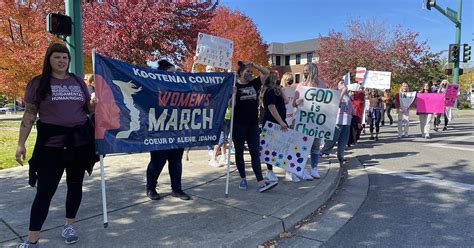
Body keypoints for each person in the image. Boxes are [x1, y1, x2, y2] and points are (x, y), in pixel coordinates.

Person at [15, 43, 98, 247]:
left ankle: (69, 225)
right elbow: (29, 114)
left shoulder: (78, 82)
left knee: (75, 186)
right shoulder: (39, 83)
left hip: (79, 145)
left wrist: (93, 105)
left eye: (65, 57)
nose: (62, 61)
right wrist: (20, 144)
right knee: (45, 191)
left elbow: (88, 109)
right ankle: (32, 239)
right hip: (51, 146)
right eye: (57, 57)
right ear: (49, 60)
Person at [146, 59, 191, 201]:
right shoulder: (154, 88)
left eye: (175, 73)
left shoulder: (180, 88)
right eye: (171, 73)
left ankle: (177, 189)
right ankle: (151, 188)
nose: (175, 76)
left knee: (176, 161)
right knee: (158, 161)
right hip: (160, 130)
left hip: (177, 129)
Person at [233, 61, 278, 192]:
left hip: (252, 125)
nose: (250, 74)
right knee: (239, 152)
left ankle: (260, 181)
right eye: (247, 72)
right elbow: (231, 105)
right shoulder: (234, 86)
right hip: (238, 125)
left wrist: (254, 65)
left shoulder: (255, 83)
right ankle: (243, 178)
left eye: (251, 72)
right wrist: (234, 94)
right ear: (240, 73)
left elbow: (267, 73)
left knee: (255, 152)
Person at [294, 62, 327, 179]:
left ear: (313, 71)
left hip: (317, 119)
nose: (305, 72)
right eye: (304, 70)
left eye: (307, 70)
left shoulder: (322, 84)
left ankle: (314, 168)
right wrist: (302, 98)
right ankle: (301, 169)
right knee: (303, 144)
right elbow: (294, 103)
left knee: (316, 144)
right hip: (304, 120)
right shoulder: (301, 85)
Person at [260, 71, 289, 182]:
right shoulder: (269, 91)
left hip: (280, 122)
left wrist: (281, 89)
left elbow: (286, 100)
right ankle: (269, 171)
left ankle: (286, 170)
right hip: (272, 123)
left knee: (282, 147)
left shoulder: (277, 90)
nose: (278, 78)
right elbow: (271, 107)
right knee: (270, 147)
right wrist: (281, 122)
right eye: (276, 77)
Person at [320, 81, 354, 167]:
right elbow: (337, 103)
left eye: (343, 83)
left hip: (347, 120)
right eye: (341, 83)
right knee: (334, 137)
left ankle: (341, 155)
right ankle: (324, 151)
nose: (343, 84)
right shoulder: (337, 94)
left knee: (343, 140)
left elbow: (351, 109)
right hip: (338, 120)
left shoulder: (348, 96)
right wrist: (342, 91)